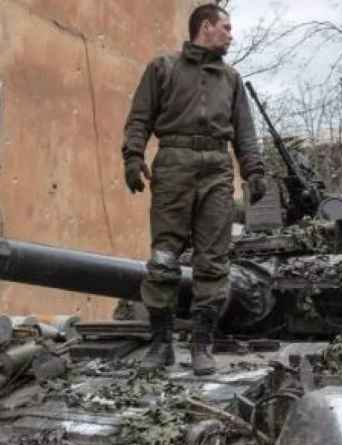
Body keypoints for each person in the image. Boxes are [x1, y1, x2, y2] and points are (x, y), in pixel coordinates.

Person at [122, 4, 267, 375]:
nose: (231, 35)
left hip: (218, 168)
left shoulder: (231, 80)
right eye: (226, 28)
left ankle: (202, 345)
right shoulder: (163, 68)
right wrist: (133, 156)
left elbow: (245, 132)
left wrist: (254, 170)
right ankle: (161, 345)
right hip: (173, 162)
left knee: (213, 260)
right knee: (164, 257)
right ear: (206, 27)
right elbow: (140, 116)